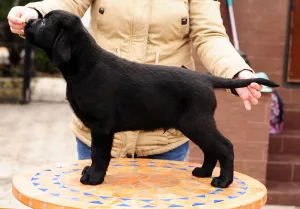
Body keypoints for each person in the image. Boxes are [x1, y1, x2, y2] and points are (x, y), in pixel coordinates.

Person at [7, 0, 262, 162]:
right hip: (99, 129)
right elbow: (67, 3)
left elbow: (209, 35)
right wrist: (34, 11)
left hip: (163, 141)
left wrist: (236, 70)